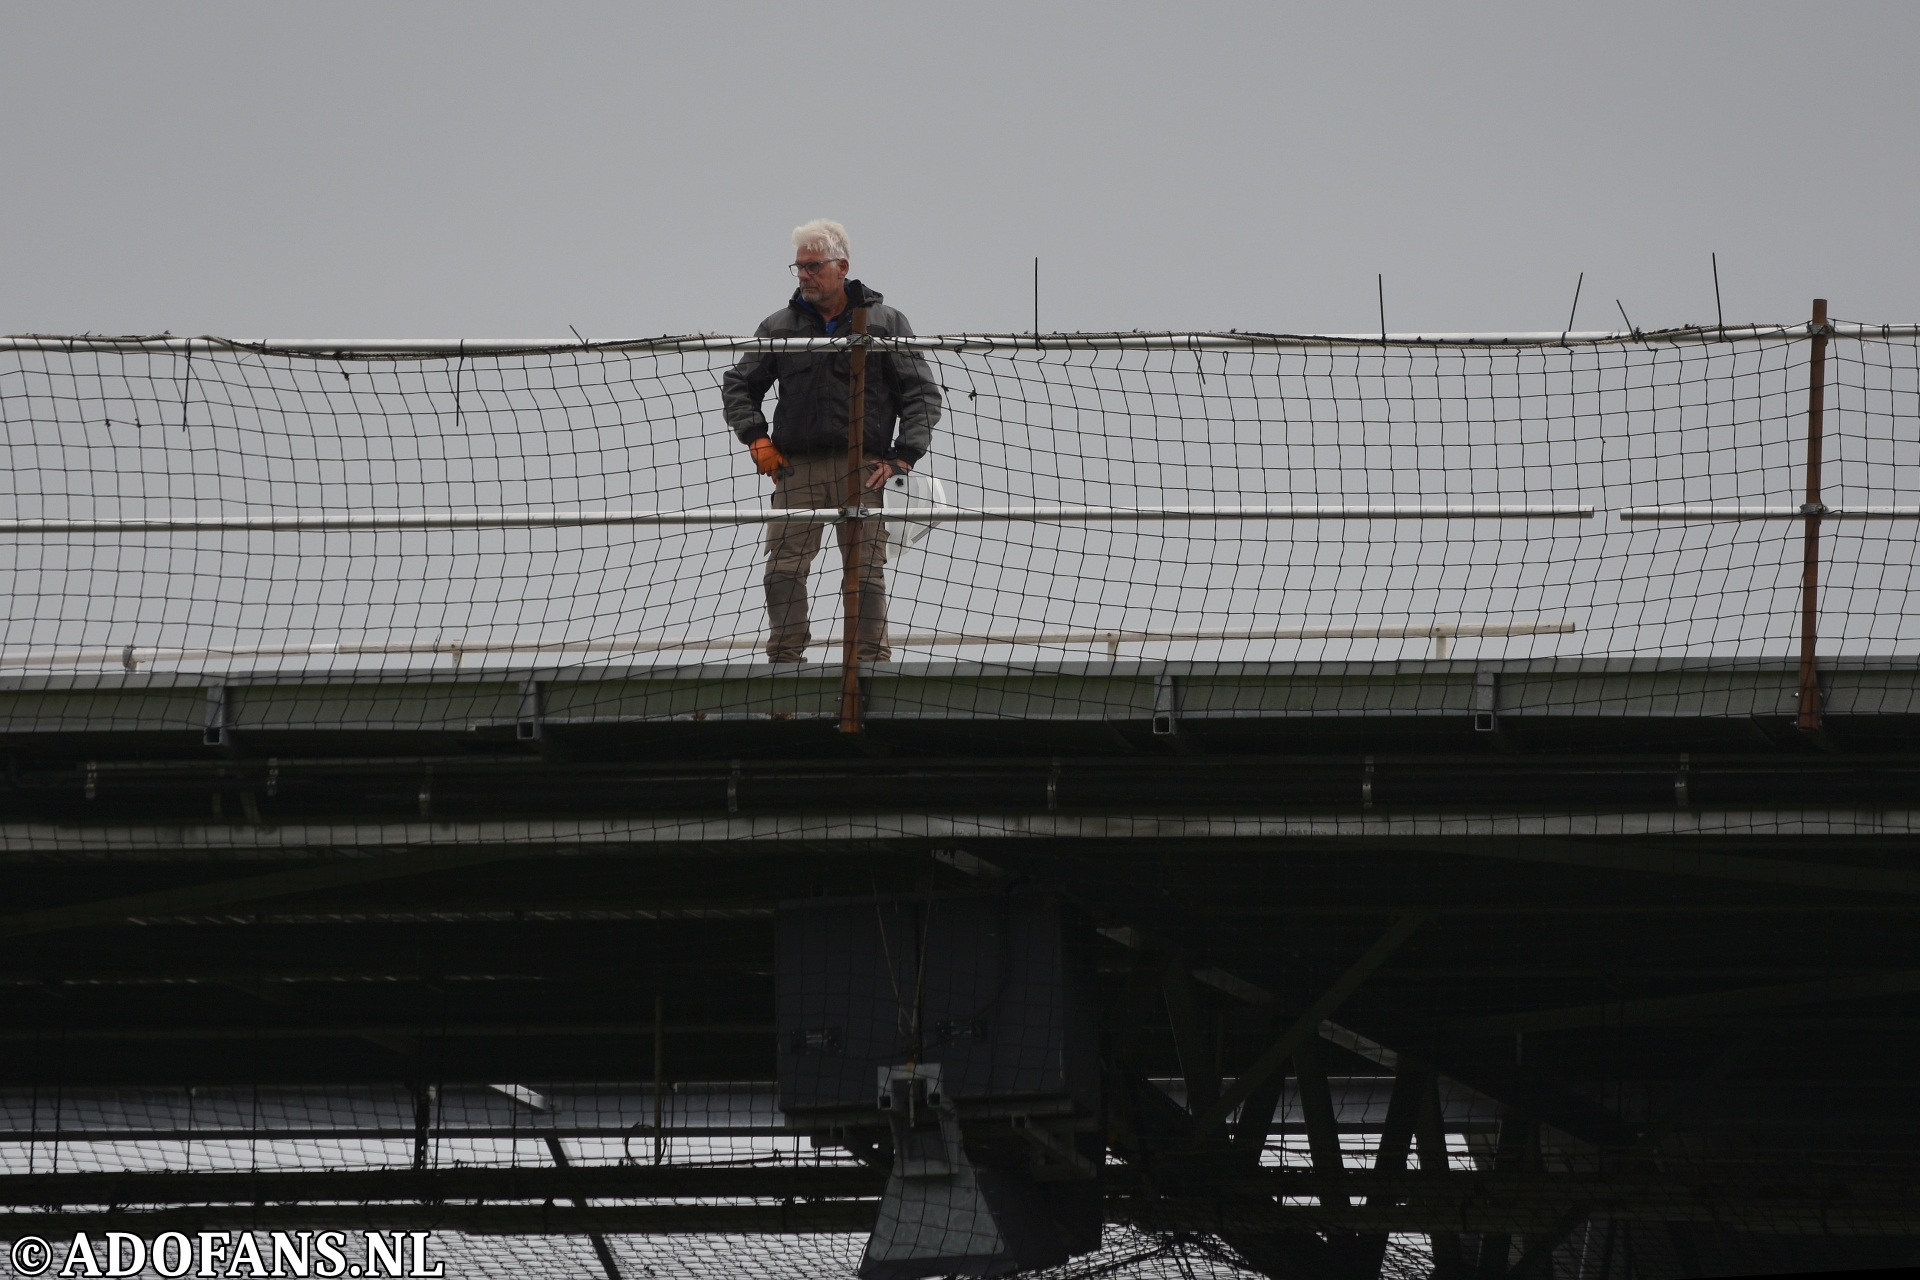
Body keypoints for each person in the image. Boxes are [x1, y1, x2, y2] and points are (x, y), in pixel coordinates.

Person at [722, 219, 942, 663]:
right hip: (795, 468)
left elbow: (920, 393)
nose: (803, 275)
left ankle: (869, 661)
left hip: (865, 468)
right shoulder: (779, 326)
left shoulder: (885, 323)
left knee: (864, 571)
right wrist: (756, 440)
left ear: (842, 266)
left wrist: (903, 459)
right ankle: (785, 659)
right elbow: (739, 384)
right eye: (798, 267)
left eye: (813, 266)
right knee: (783, 569)